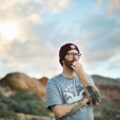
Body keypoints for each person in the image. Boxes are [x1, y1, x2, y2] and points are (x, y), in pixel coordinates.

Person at [46, 43, 101, 120]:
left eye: (77, 54)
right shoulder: (53, 82)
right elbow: (59, 112)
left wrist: (82, 75)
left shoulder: (86, 77)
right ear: (62, 59)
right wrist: (84, 100)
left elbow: (97, 101)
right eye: (70, 54)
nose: (75, 57)